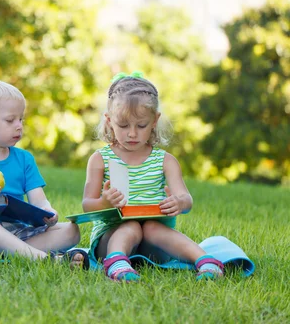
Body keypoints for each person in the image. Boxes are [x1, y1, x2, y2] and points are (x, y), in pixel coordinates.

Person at [82, 71, 224, 282]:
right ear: (109, 120)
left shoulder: (165, 161)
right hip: (111, 241)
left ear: (155, 120)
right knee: (130, 226)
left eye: (141, 126)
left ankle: (206, 262)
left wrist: (178, 202)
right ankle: (117, 265)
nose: (132, 134)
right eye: (123, 125)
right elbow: (87, 205)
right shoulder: (99, 159)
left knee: (150, 227)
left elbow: (186, 200)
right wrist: (104, 202)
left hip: (155, 246)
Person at [0, 79, 88, 269]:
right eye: (10, 120)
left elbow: (39, 200)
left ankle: (4, 252)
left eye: (21, 119)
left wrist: (49, 213)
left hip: (17, 230)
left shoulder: (24, 159)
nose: (19, 126)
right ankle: (45, 261)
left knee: (72, 231)